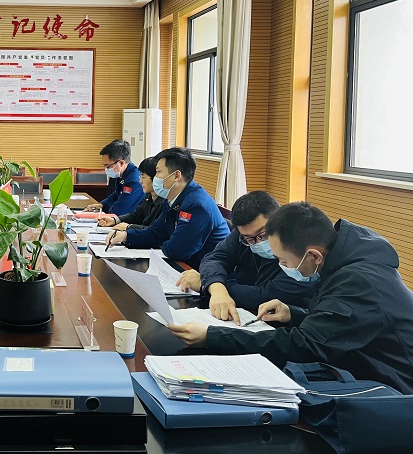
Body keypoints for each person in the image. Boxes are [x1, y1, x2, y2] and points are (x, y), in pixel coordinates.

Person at [169, 202, 413, 394]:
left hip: (395, 386)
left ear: (314, 256)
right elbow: (338, 326)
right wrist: (293, 314)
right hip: (360, 364)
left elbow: (306, 346)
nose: (281, 266)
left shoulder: (357, 281)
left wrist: (213, 336)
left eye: (284, 261)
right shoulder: (341, 260)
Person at [176, 191, 316, 322]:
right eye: (249, 239)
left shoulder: (299, 249)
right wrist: (216, 287)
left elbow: (267, 295)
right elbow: (216, 258)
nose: (258, 242)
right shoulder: (244, 233)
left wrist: (205, 285)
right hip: (245, 314)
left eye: (263, 234)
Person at [106, 147, 229, 270]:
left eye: (158, 172)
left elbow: (176, 251)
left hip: (205, 271)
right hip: (186, 265)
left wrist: (164, 241)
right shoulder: (171, 198)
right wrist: (126, 236)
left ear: (176, 175)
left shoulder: (196, 205)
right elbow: (156, 232)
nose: (155, 178)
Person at [98, 157, 164, 230]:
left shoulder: (164, 202)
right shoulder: (149, 196)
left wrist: (128, 227)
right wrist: (115, 220)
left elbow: (156, 230)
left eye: (143, 177)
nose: (140, 181)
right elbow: (136, 215)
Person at [85, 140, 144, 216]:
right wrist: (101, 205)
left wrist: (103, 212)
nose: (106, 169)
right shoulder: (122, 173)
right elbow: (115, 196)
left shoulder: (133, 180)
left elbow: (121, 210)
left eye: (107, 166)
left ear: (121, 163)